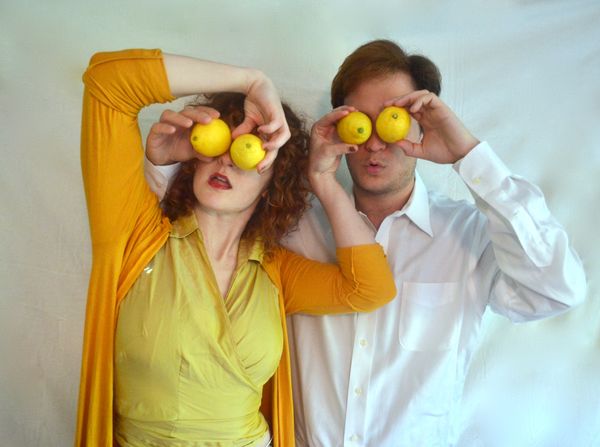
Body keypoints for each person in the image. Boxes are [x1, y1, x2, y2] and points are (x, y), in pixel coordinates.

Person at [75, 48, 396, 447]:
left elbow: (370, 289)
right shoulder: (135, 235)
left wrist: (324, 181)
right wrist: (251, 81)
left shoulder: (276, 271)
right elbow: (107, 84)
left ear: (272, 184)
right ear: (195, 156)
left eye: (250, 149)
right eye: (220, 143)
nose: (226, 160)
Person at [283, 39, 588, 446]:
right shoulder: (295, 228)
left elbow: (558, 290)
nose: (374, 143)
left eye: (390, 120)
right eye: (360, 122)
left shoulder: (468, 235)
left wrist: (468, 154)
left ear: (421, 126)